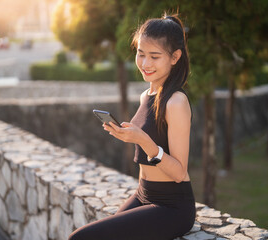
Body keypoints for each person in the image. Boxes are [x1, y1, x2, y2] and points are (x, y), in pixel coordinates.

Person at [69, 13, 196, 240]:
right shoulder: (145, 95)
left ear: (175, 57)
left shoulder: (176, 102)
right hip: (143, 194)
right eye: (141, 54)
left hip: (173, 207)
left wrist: (143, 141)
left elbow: (179, 173)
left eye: (155, 56)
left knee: (80, 238)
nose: (145, 64)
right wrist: (129, 135)